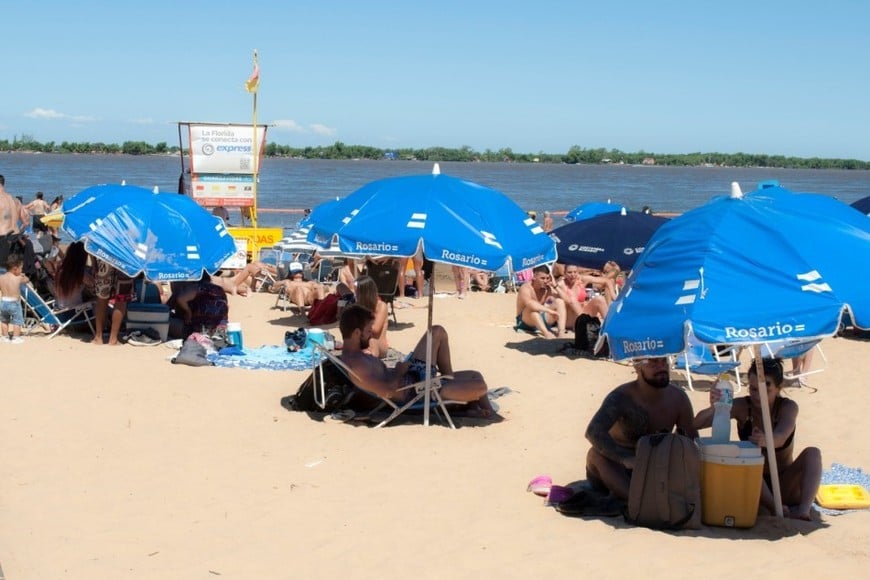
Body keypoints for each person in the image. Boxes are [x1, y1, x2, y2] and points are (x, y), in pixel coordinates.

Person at [693, 357, 822, 520]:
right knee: (752, 460)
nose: (757, 395)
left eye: (765, 390)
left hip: (784, 482)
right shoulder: (742, 407)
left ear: (778, 388)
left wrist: (765, 440)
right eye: (753, 389)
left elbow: (781, 437)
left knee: (813, 453)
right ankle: (774, 508)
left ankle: (804, 510)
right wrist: (715, 408)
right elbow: (696, 424)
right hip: (753, 483)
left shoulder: (787, 408)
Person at [338, 304, 496, 418]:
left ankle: (456, 391)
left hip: (413, 379)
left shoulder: (355, 357)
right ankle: (477, 407)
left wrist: (398, 370)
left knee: (438, 332)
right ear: (357, 333)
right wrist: (399, 371)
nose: (371, 334)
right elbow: (386, 391)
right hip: (417, 392)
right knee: (480, 386)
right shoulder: (357, 365)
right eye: (368, 331)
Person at [585, 357, 698, 500]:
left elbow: (691, 438)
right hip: (618, 468)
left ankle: (643, 500)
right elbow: (593, 432)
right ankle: (637, 501)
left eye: (664, 362)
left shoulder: (678, 398)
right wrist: (625, 458)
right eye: (653, 362)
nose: (661, 367)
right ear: (637, 367)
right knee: (595, 455)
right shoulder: (622, 397)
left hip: (656, 465)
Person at [169, 273, 229, 339]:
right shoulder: (219, 289)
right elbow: (226, 307)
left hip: (198, 329)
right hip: (220, 327)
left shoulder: (197, 287)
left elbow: (181, 298)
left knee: (166, 322)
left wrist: (188, 312)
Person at [515, 265, 567, 338]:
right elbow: (530, 304)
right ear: (534, 277)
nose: (545, 281)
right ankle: (546, 333)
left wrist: (555, 285)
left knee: (559, 301)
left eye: (547, 278)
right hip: (525, 322)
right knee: (533, 311)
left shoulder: (547, 288)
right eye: (542, 278)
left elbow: (566, 300)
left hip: (541, 319)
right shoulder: (526, 288)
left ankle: (561, 332)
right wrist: (550, 311)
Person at [92, 259, 133, 345]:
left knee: (102, 297)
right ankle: (113, 339)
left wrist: (93, 261)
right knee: (121, 299)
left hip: (104, 255)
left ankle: (98, 337)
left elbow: (90, 245)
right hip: (124, 258)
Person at [354, 275, 389, 358]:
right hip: (363, 342)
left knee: (372, 341)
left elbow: (375, 330)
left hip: (378, 344)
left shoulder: (381, 306)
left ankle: (370, 365)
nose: (355, 295)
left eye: (357, 293)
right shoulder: (358, 305)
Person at [53, 241, 94, 308]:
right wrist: (93, 260)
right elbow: (93, 284)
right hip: (72, 313)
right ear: (82, 257)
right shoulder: (79, 272)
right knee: (97, 299)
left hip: (59, 308)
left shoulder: (60, 267)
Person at [0, 255, 29, 343]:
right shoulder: (18, 278)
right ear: (15, 268)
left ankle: (4, 337)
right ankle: (16, 337)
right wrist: (23, 276)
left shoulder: (1, 277)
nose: (21, 270)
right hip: (14, 303)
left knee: (4, 320)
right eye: (21, 268)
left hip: (3, 302)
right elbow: (27, 280)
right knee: (17, 320)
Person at [0, 175, 25, 268]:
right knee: (13, 269)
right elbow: (25, 221)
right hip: (16, 237)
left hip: (3, 238)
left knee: (2, 270)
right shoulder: (16, 201)